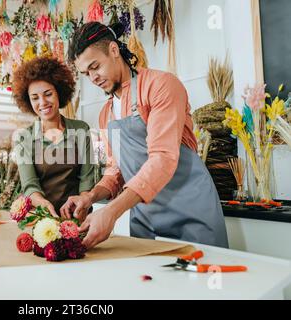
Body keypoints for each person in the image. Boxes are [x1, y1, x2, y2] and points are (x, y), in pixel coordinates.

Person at [61, 22, 229, 248]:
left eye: (95, 66)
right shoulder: (106, 114)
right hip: (145, 220)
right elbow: (115, 170)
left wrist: (112, 211)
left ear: (113, 50)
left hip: (190, 211)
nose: (93, 78)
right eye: (86, 73)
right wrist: (90, 196)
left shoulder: (161, 85)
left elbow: (162, 159)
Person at [12, 56, 95, 220]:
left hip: (77, 215)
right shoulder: (24, 138)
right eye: (35, 98)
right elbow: (30, 185)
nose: (42, 102)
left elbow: (86, 179)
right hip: (40, 218)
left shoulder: (80, 129)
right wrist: (43, 204)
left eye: (48, 94)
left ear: (59, 92)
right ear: (28, 101)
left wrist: (82, 204)